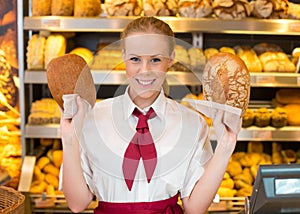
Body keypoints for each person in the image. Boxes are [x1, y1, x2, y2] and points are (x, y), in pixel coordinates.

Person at [60, 16, 238, 214]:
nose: (144, 71)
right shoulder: (92, 119)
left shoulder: (193, 123)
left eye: (155, 59)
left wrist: (226, 145)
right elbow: (77, 204)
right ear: (123, 56)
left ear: (171, 58)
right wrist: (69, 139)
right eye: (135, 59)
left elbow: (194, 208)